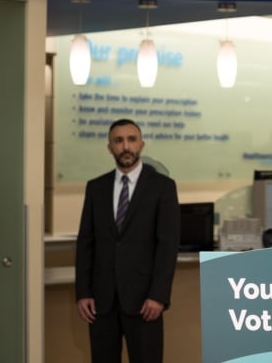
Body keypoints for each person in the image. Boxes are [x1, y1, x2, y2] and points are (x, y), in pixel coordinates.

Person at [75, 118, 180, 363]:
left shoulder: (162, 187)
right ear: (109, 147)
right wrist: (83, 292)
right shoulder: (95, 188)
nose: (125, 147)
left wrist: (159, 295)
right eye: (118, 141)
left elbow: (168, 245)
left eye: (131, 140)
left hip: (145, 302)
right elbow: (86, 243)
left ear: (141, 144)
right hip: (101, 303)